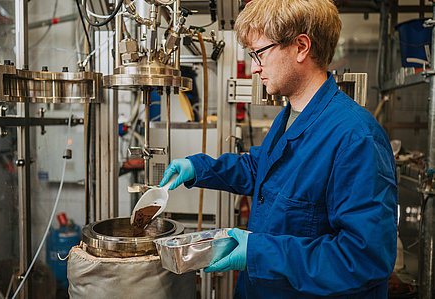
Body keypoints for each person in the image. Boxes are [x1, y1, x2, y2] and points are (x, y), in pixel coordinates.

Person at [159, 0, 398, 297]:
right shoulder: (291, 115)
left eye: (260, 52)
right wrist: (199, 168)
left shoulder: (356, 137)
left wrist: (259, 252)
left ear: (300, 47)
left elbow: (364, 258)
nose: (256, 66)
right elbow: (262, 169)